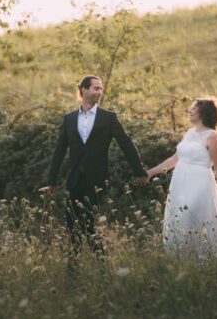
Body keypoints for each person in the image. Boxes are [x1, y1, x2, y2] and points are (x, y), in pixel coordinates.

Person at [46, 75, 149, 258]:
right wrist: (51, 181)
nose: (99, 92)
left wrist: (139, 170)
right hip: (75, 180)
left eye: (101, 89)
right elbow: (59, 151)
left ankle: (101, 263)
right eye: (96, 88)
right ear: (83, 90)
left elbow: (126, 143)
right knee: (72, 225)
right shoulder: (69, 119)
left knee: (89, 221)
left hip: (97, 180)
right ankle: (76, 265)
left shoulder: (108, 118)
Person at [147, 96, 217, 262]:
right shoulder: (189, 133)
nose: (190, 111)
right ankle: (182, 261)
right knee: (180, 221)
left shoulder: (213, 136)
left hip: (200, 184)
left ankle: (204, 261)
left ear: (203, 112)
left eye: (193, 108)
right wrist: (151, 172)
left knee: (194, 219)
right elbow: (174, 159)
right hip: (180, 183)